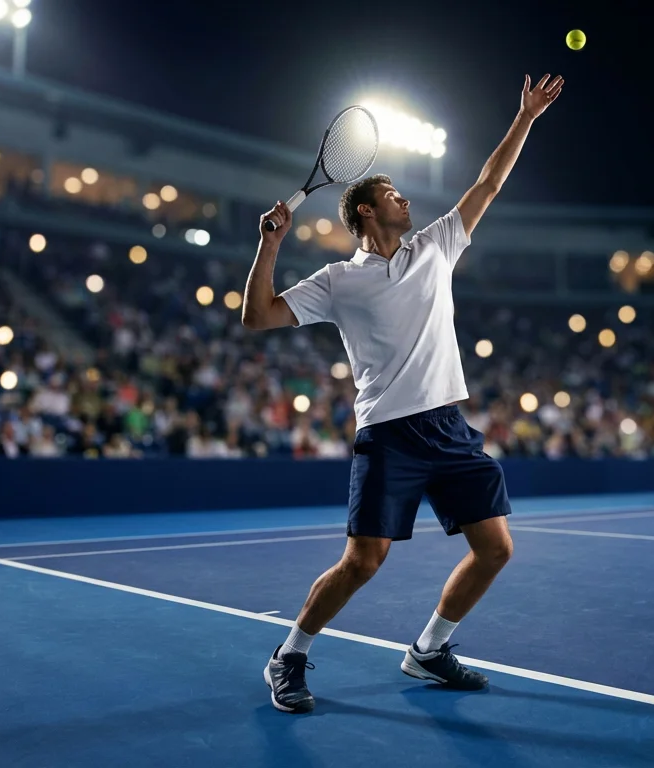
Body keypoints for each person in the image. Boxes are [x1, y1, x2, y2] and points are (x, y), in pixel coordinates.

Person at [241, 73, 564, 713]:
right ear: (366, 209)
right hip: (389, 432)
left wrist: (524, 118)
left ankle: (429, 651)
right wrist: (269, 246)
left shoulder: (436, 246)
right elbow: (258, 317)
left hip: (449, 426)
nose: (404, 199)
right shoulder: (337, 280)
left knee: (496, 547)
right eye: (391, 193)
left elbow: (488, 184)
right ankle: (289, 657)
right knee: (363, 561)